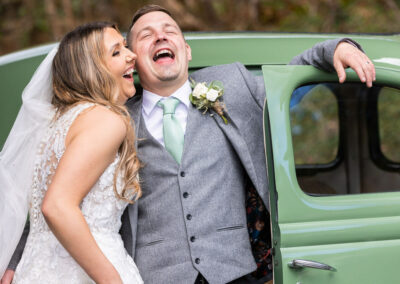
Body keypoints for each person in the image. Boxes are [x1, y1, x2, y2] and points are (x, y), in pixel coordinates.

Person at [3, 5, 376, 284]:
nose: (161, 36)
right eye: (146, 34)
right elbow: (60, 190)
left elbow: (292, 77)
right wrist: (17, 259)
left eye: (170, 29)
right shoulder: (113, 119)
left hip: (235, 273)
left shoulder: (232, 84)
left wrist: (337, 48)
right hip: (152, 276)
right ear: (132, 60)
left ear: (187, 50)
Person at [0, 22, 143, 283]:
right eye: (116, 52)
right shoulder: (106, 120)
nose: (131, 54)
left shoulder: (55, 124)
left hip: (36, 269)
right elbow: (57, 206)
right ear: (92, 70)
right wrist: (112, 280)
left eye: (124, 46)